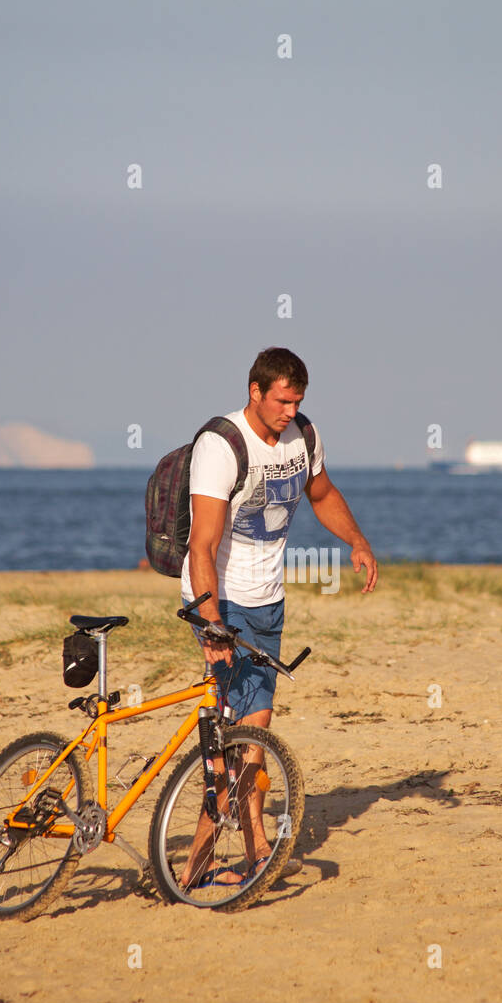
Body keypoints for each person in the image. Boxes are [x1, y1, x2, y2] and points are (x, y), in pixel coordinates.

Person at [178, 346, 377, 887]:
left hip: (268, 600)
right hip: (221, 597)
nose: (291, 411)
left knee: (248, 734)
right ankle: (254, 847)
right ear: (256, 392)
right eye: (283, 401)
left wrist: (356, 540)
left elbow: (323, 492)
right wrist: (213, 623)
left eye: (298, 401)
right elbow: (202, 545)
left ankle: (202, 860)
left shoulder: (303, 437)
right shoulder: (222, 445)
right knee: (240, 735)